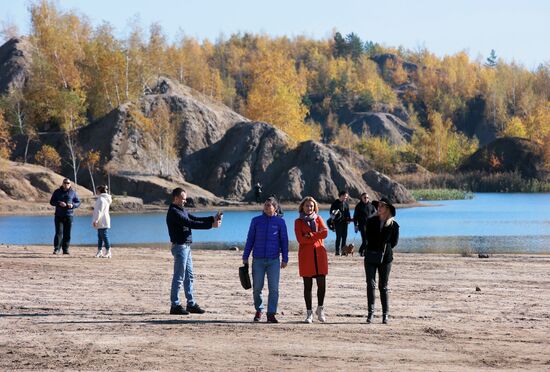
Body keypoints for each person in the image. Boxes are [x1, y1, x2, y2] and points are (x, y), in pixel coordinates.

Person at [166, 187, 222, 315]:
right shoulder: (174, 212)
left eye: (185, 199)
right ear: (176, 198)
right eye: (183, 198)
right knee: (179, 277)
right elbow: (190, 223)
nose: (185, 201)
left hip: (186, 247)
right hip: (180, 247)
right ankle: (175, 305)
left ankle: (190, 304)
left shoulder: (181, 210)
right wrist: (211, 226)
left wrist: (212, 219)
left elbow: (195, 219)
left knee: (189, 276)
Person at [243, 197, 289, 323]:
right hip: (258, 259)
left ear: (275, 207)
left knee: (274, 288)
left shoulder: (280, 222)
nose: (267, 207)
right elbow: (250, 239)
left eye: (270, 205)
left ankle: (271, 313)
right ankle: (259, 310)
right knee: (257, 287)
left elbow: (284, 241)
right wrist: (245, 256)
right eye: (266, 205)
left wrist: (285, 258)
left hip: (274, 260)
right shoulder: (256, 221)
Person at [364, 197, 399, 324]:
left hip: (385, 259)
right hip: (370, 256)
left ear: (388, 209)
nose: (379, 208)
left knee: (383, 286)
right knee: (371, 284)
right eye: (378, 206)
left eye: (382, 206)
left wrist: (383, 249)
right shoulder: (371, 221)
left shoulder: (394, 225)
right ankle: (370, 313)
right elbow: (367, 237)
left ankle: (385, 315)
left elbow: (394, 243)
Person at [294, 196, 328, 323]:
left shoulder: (318, 218)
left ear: (314, 208)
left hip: (319, 255)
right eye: (307, 206)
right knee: (307, 286)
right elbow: (300, 239)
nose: (309, 208)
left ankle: (320, 309)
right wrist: (315, 236)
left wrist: (311, 235)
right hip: (306, 256)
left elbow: (325, 233)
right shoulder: (298, 222)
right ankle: (309, 313)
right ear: (302, 207)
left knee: (322, 284)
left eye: (311, 206)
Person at [49, 178, 81, 255]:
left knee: (67, 233)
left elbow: (78, 202)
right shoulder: (57, 192)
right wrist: (59, 203)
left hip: (69, 215)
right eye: (65, 183)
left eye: (68, 183)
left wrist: (72, 205)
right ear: (62, 183)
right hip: (59, 216)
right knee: (59, 233)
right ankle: (57, 249)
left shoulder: (73, 193)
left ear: (70, 184)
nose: (66, 184)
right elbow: (51, 202)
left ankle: (65, 249)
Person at [353, 193, 377, 257]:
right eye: (364, 197)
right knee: (365, 240)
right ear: (361, 198)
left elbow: (375, 215)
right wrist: (355, 225)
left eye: (367, 197)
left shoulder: (371, 205)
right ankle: (361, 251)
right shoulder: (358, 206)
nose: (366, 199)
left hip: (370, 225)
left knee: (369, 240)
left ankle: (364, 251)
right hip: (362, 225)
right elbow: (355, 217)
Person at [92, 185, 112, 258]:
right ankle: (100, 251)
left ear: (99, 191)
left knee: (104, 236)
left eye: (97, 190)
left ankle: (108, 251)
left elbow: (99, 211)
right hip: (102, 220)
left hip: (102, 220)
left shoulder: (101, 199)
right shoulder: (103, 198)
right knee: (100, 236)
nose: (96, 192)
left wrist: (96, 220)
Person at [329, 190, 351, 256]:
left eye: (346, 197)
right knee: (338, 237)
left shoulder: (346, 204)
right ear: (341, 196)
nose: (346, 198)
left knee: (344, 237)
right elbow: (331, 213)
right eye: (345, 196)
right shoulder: (335, 203)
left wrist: (349, 219)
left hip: (345, 223)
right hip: (338, 223)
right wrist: (334, 214)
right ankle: (337, 251)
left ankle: (343, 251)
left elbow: (348, 213)